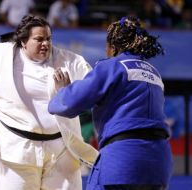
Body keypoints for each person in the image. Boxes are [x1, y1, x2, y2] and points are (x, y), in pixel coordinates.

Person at [0, 15, 98, 190]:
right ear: (23, 41)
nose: (46, 44)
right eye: (39, 39)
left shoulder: (70, 61)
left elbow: (93, 88)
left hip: (61, 149)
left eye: (48, 39)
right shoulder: (1, 56)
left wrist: (68, 91)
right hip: (17, 149)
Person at [48, 16, 173, 190]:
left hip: (123, 158)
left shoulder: (112, 66)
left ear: (113, 47)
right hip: (159, 162)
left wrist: (62, 91)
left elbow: (69, 104)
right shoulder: (154, 73)